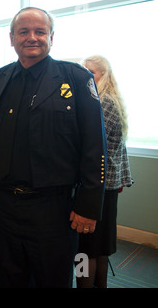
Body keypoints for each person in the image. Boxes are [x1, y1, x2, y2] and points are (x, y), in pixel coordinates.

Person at [0, 7, 107, 287]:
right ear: (11, 38)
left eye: (40, 31)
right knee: (9, 278)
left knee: (53, 280)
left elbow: (95, 143)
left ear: (52, 37)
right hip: (6, 206)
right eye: (23, 32)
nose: (32, 37)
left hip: (54, 208)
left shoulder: (75, 77)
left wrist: (89, 204)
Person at [77, 55, 133, 288]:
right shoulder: (110, 99)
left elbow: (94, 147)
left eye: (92, 73)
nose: (87, 77)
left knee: (85, 249)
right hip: (107, 186)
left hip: (97, 186)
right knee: (99, 247)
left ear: (104, 74)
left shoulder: (102, 102)